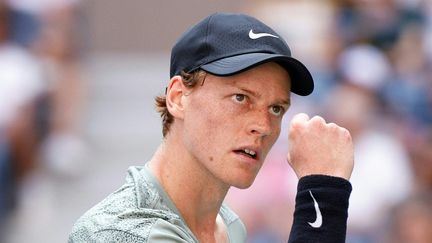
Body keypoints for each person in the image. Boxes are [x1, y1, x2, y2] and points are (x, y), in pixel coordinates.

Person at [69, 13, 354, 243]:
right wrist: (322, 190)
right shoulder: (120, 232)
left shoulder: (228, 225)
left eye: (276, 108)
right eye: (240, 98)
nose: (264, 126)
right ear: (178, 98)